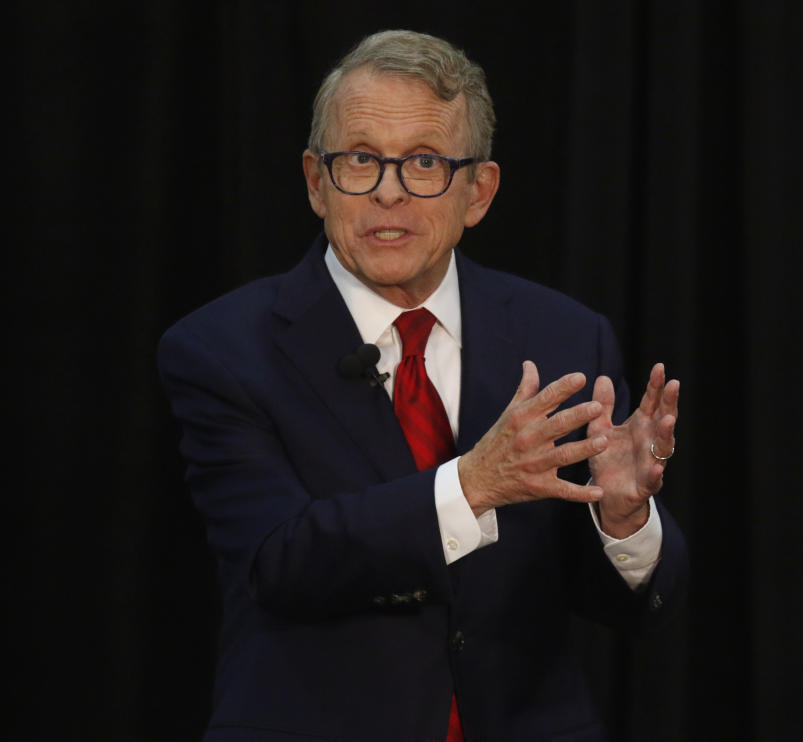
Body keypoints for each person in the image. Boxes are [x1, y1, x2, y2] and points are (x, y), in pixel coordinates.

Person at [158, 29, 686, 742]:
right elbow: (278, 562)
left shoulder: (562, 337)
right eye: (361, 160)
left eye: (426, 163)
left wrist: (620, 519)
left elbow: (616, 605)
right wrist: (471, 485)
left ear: (479, 192)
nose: (388, 192)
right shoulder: (223, 349)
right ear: (317, 182)